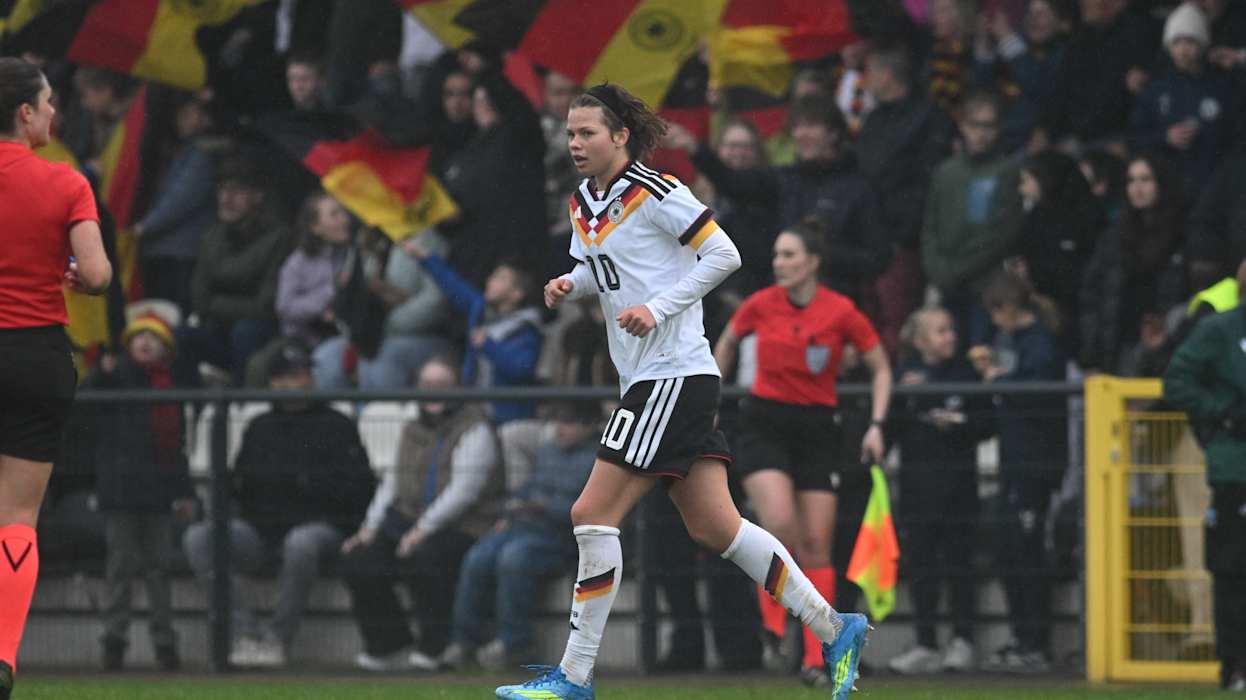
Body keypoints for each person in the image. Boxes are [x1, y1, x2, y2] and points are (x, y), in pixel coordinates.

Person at [494, 83, 870, 700]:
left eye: (587, 132)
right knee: (717, 528)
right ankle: (835, 626)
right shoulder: (583, 202)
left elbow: (724, 255)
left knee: (590, 515)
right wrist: (569, 282)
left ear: (621, 136)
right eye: (570, 133)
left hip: (670, 375)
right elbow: (602, 270)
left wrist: (658, 307)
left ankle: (575, 676)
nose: (575, 143)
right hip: (657, 378)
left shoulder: (657, 190)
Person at [713, 222, 893, 686]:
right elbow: (727, 343)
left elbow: (880, 367)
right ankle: (774, 626)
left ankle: (816, 658)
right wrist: (707, 400)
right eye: (777, 254)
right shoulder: (760, 304)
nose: (779, 263)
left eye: (789, 254)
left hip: (817, 429)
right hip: (764, 424)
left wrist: (876, 425)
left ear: (813, 262)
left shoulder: (841, 310)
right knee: (778, 523)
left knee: (815, 544)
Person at [0, 56, 112, 700]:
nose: (53, 112)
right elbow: (96, 275)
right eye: (46, 102)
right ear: (24, 113)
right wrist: (76, 275)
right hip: (36, 355)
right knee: (17, 515)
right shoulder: (67, 182)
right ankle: (3, 655)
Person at [181, 340, 375, 667]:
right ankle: (246, 634)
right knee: (198, 537)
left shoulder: (337, 424)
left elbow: (359, 488)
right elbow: (240, 484)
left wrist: (311, 491)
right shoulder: (260, 427)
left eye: (301, 375)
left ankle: (277, 639)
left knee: (301, 543)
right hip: (261, 531)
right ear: (273, 382)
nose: (295, 383)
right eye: (287, 377)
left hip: (322, 530)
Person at [338, 355, 502, 672]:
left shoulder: (476, 429)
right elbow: (392, 481)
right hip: (409, 517)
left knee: (425, 557)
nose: (433, 391)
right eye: (427, 384)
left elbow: (463, 492)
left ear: (458, 388)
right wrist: (370, 527)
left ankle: (434, 645)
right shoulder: (411, 428)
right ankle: (388, 644)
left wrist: (422, 530)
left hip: (464, 524)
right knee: (358, 558)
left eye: (442, 384)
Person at [439, 402, 599, 671]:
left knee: (513, 558)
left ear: (590, 425)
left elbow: (590, 510)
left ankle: (515, 643)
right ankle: (464, 642)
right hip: (524, 526)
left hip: (560, 536)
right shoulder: (548, 450)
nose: (560, 428)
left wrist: (545, 507)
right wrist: (512, 507)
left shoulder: (598, 460)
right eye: (558, 420)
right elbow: (529, 488)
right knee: (478, 555)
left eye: (570, 422)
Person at [85, 313, 196, 672]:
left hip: (157, 494)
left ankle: (165, 644)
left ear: (166, 348)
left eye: (154, 337)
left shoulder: (170, 388)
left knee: (158, 569)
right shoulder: (115, 378)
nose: (145, 342)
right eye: (139, 336)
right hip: (121, 494)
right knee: (120, 568)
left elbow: (177, 449)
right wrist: (101, 371)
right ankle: (114, 643)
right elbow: (88, 397)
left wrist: (184, 491)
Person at [886, 307, 991, 674]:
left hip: (959, 488)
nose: (950, 336)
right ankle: (925, 642)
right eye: (940, 331)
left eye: (951, 329)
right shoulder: (904, 376)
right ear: (919, 341)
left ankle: (963, 640)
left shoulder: (966, 374)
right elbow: (890, 426)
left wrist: (959, 423)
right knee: (921, 565)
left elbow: (987, 423)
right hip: (917, 490)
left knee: (960, 563)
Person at [974, 271, 1068, 673]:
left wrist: (1000, 380)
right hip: (1012, 458)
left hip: (1035, 461)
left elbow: (1037, 396)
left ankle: (1035, 642)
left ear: (1009, 307)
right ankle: (1019, 637)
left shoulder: (1041, 344)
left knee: (1028, 550)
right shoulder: (1008, 341)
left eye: (997, 312)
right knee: (1009, 546)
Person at [1163, 260, 1246, 691]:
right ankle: (1235, 664)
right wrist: (1222, 414)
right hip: (1237, 468)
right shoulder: (1221, 330)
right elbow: (1177, 380)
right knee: (1233, 567)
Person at [921, 90, 1023, 350]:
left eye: (988, 126)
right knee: (945, 351)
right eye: (975, 124)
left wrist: (956, 270)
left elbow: (1003, 233)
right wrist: (937, 268)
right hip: (945, 283)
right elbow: (930, 226)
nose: (981, 133)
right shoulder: (946, 171)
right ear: (962, 126)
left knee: (981, 351)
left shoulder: (1006, 172)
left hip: (986, 286)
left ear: (999, 129)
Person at [403, 242, 544, 425]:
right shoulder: (480, 310)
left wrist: (488, 345)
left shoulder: (527, 329)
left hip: (507, 418)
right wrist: (424, 256)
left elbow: (522, 369)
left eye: (500, 279)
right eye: (493, 276)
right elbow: (454, 286)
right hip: (472, 411)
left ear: (517, 294)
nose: (490, 282)